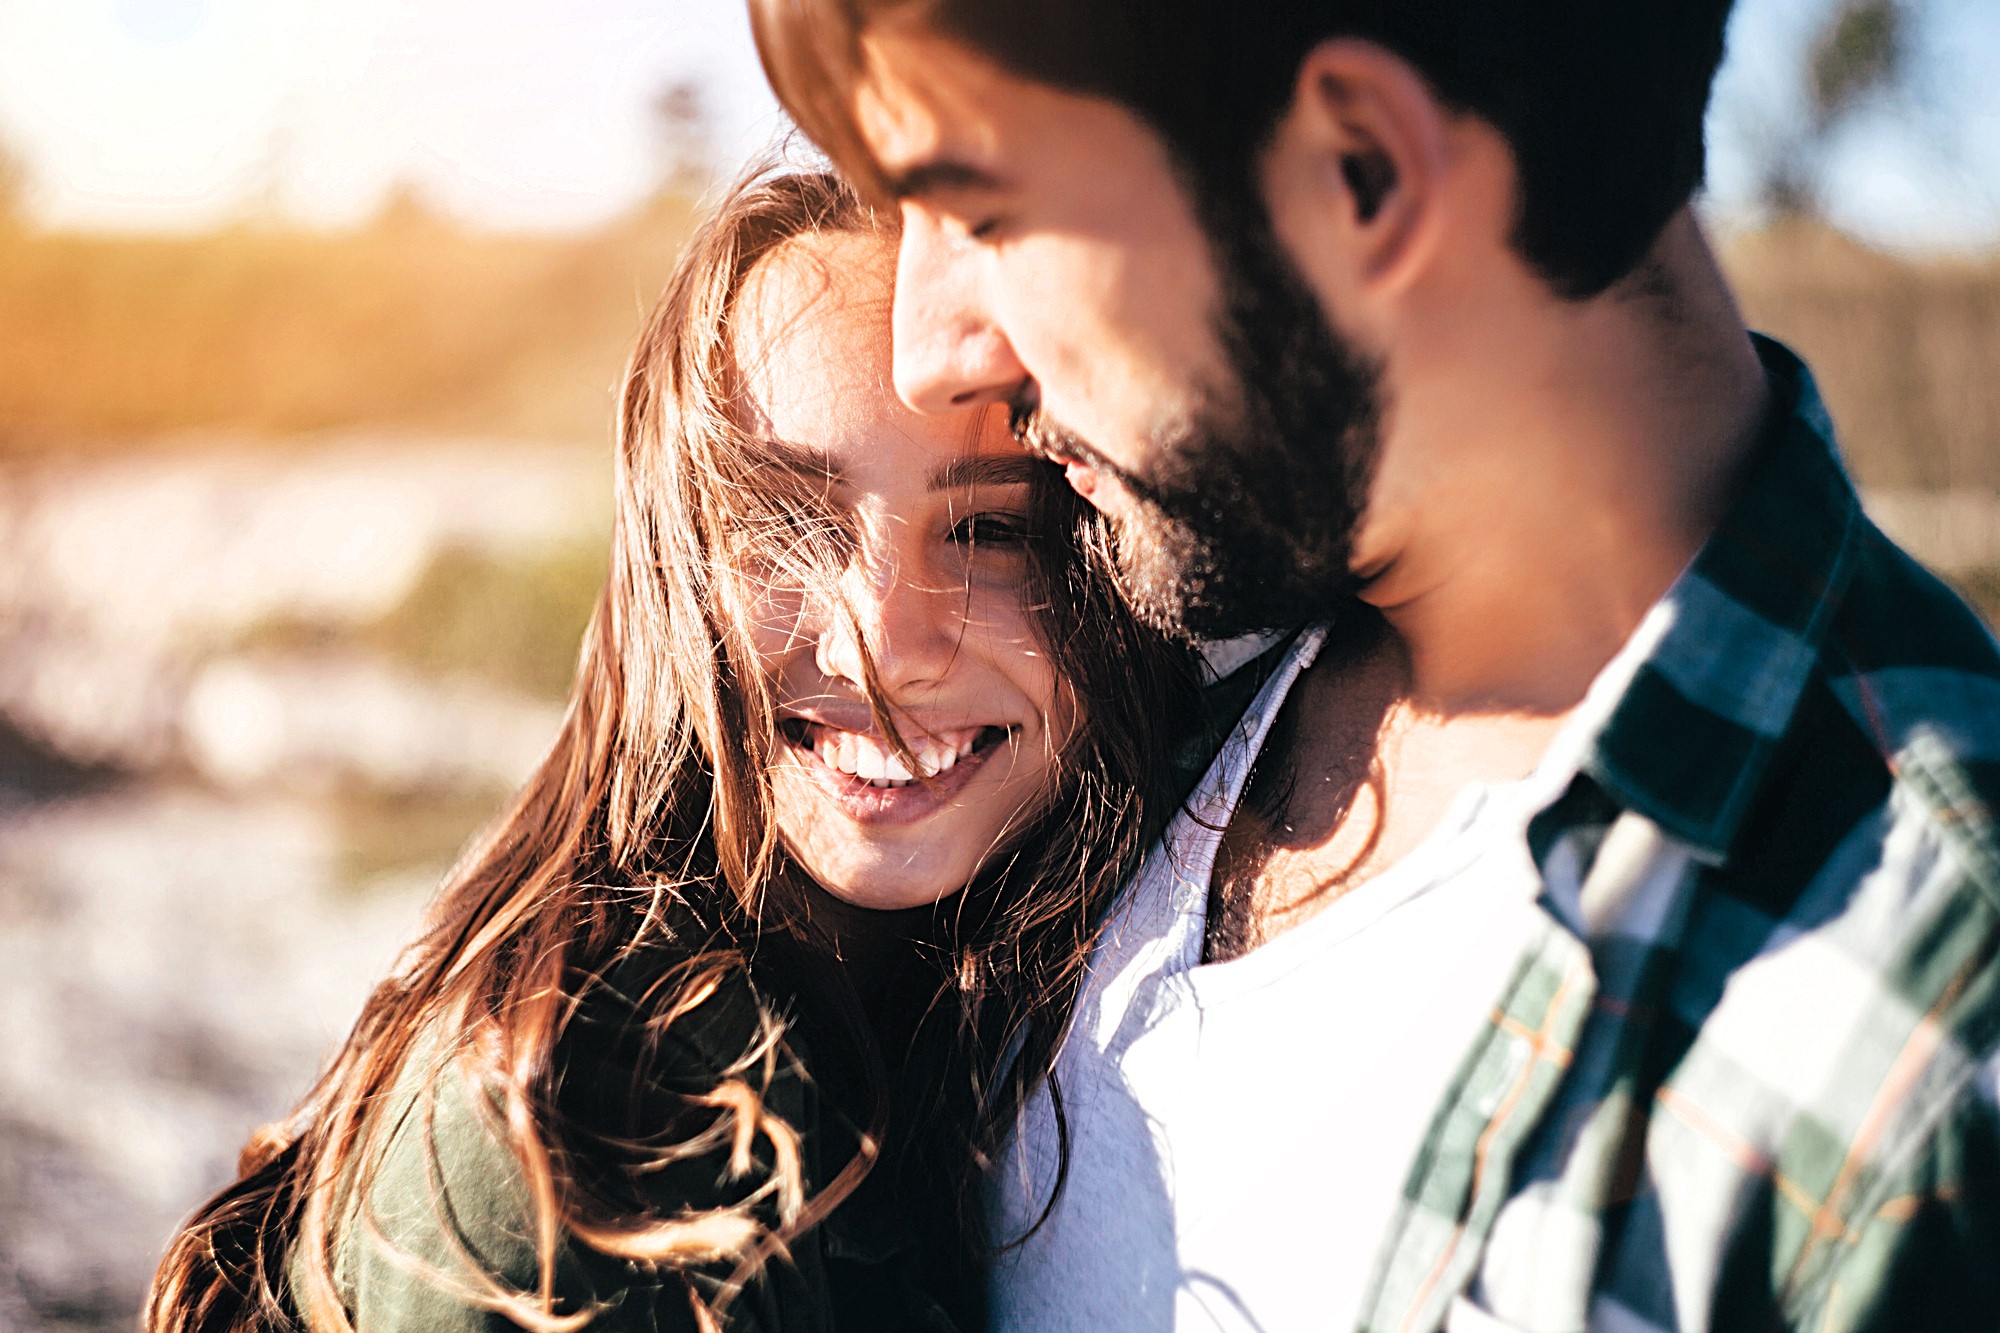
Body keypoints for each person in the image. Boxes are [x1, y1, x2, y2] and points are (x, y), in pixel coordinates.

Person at [750, 3, 2000, 1330]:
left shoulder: (1918, 1058)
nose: (932, 356)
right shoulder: (1147, 637)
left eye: (985, 215)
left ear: (1364, 171)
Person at [144, 169, 1205, 1333]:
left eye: (993, 529)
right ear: (671, 567)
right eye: (784, 521)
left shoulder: (967, 1013)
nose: (884, 646)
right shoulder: (583, 1147)